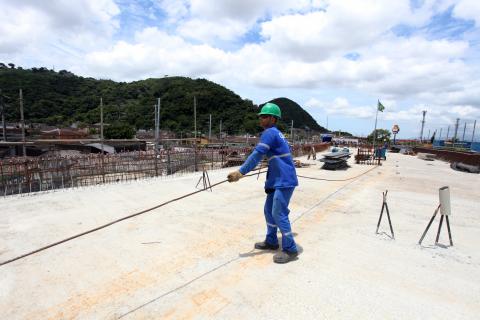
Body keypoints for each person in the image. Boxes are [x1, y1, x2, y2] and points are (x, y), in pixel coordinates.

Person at [227, 102, 299, 264]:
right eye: (260, 116)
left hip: (284, 180)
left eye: (265, 116)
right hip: (277, 179)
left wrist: (240, 172)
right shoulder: (275, 133)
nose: (261, 118)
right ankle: (272, 241)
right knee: (268, 211)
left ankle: (290, 248)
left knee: (278, 212)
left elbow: (257, 154)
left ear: (273, 119)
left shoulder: (270, 133)